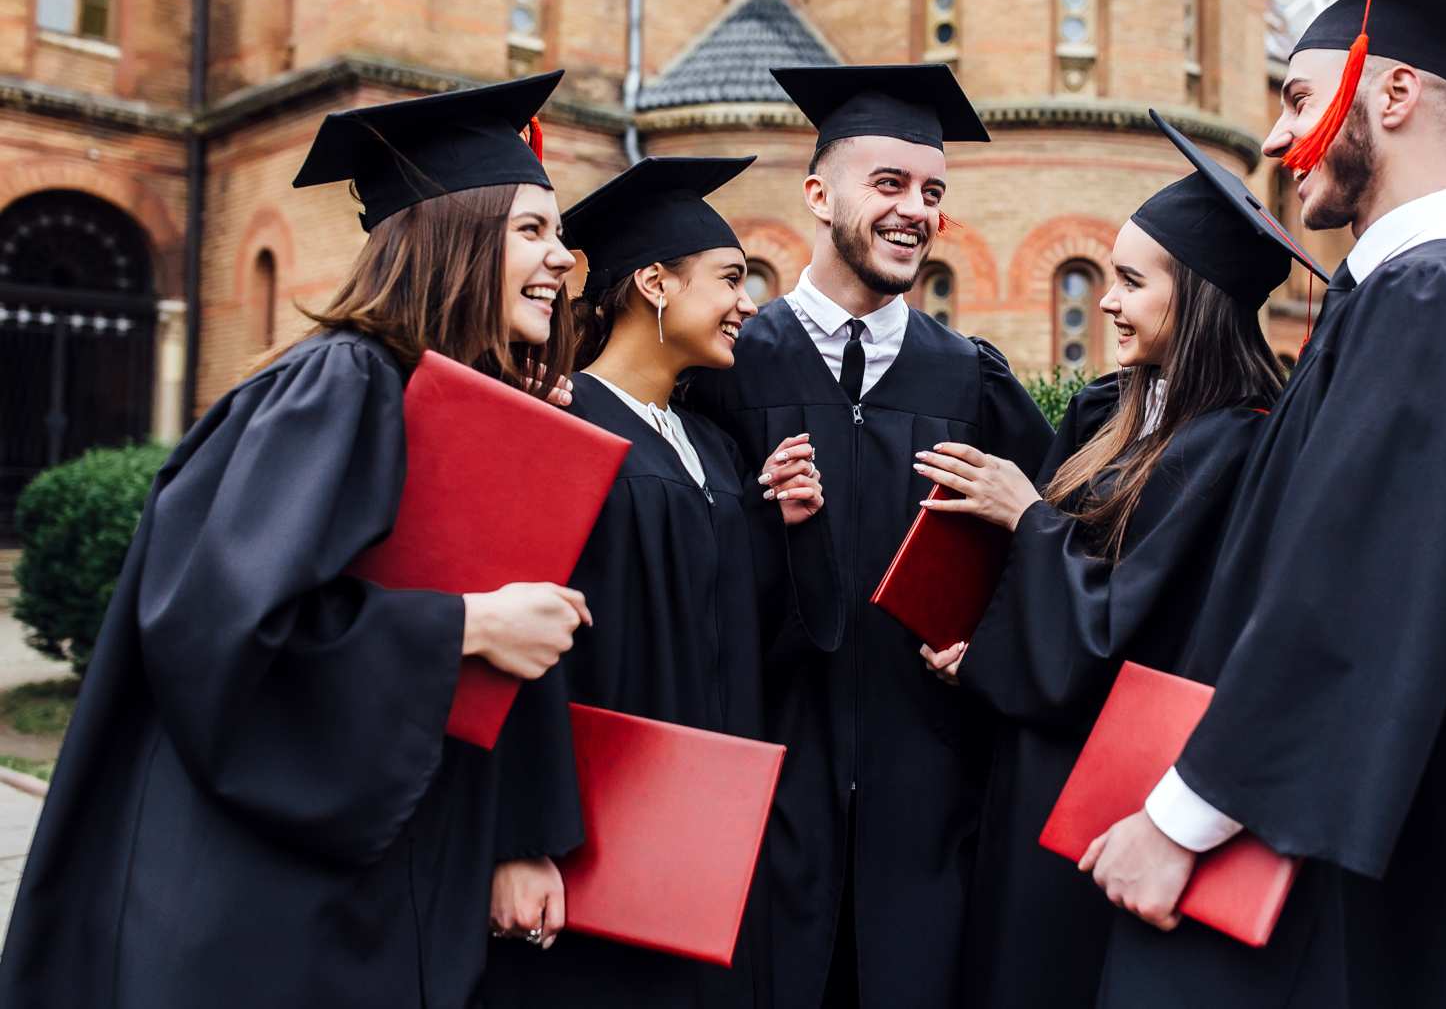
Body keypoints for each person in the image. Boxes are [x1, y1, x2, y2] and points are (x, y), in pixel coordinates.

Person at [0, 73, 592, 1009]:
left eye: (557, 234)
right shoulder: (341, 386)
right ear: (452, 237)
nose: (563, 258)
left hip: (357, 886)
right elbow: (222, 632)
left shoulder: (434, 407)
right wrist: (467, 626)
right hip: (259, 910)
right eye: (532, 229)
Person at [1081, 0, 1446, 1008]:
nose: (1278, 135)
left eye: (1299, 97)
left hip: (1310, 876)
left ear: (1391, 90)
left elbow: (1360, 600)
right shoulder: (1392, 296)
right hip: (1292, 848)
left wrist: (1181, 816)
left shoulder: (1437, 304)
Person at [915, 111, 1316, 1008]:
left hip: (1112, 795)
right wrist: (979, 653)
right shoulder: (1114, 412)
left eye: (1132, 282)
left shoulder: (1233, 445)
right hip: (1033, 774)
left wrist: (1027, 515)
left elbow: (1127, 627)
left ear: (1198, 297)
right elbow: (1059, 602)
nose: (1106, 299)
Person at [685, 63, 1054, 1009]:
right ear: (819, 194)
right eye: (888, 185)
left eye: (932, 191)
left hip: (927, 808)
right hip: (770, 799)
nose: (915, 210)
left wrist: (995, 639)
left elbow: (1051, 558)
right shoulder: (730, 366)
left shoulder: (969, 381)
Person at [482, 155, 837, 1009]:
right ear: (653, 283)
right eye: (728, 280)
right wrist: (519, 837)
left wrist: (782, 532)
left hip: (706, 838)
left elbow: (746, 635)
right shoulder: (560, 426)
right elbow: (516, 659)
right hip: (597, 837)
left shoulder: (711, 449)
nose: (747, 304)